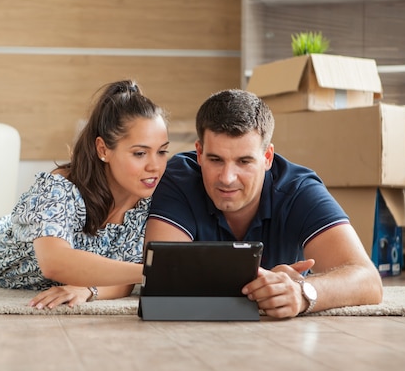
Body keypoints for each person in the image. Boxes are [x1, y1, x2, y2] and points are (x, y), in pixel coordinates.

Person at [144, 89, 383, 319]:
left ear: (267, 157)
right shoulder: (178, 178)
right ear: (199, 153)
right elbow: (163, 276)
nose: (227, 178)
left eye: (244, 161)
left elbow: (368, 280)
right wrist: (262, 284)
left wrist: (301, 292)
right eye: (215, 159)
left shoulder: (299, 189)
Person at [0, 79, 169, 309]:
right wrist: (153, 270)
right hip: (0, 253)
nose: (155, 166)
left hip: (45, 274)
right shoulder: (59, 186)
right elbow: (54, 262)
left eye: (162, 152)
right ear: (103, 150)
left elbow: (124, 278)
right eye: (140, 153)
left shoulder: (149, 205)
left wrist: (90, 290)